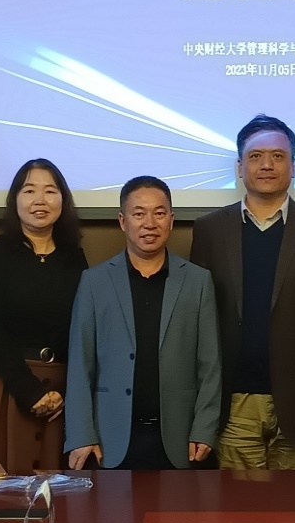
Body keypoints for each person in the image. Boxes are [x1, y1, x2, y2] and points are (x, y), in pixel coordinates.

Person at [189, 115, 295, 470]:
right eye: (255, 156)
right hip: (234, 404)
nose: (266, 165)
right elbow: (199, 323)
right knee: (238, 504)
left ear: (293, 167)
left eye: (278, 156)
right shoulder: (210, 230)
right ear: (239, 167)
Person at [65, 176, 222, 470]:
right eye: (139, 214)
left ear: (171, 220)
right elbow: (80, 365)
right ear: (123, 221)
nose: (150, 223)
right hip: (110, 437)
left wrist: (204, 428)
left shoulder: (198, 281)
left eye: (159, 213)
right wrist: (81, 434)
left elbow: (210, 365)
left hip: (179, 437)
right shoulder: (94, 282)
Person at [0, 159, 88, 471]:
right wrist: (27, 389)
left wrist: (65, 392)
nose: (40, 200)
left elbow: (82, 328)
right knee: (0, 487)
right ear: (15, 199)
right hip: (5, 382)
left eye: (50, 191)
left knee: (57, 489)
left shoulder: (75, 258)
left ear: (63, 200)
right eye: (29, 190)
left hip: (59, 393)